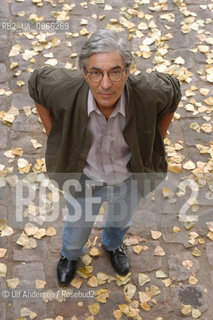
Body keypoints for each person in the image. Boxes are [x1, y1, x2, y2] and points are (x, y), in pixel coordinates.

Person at [28, 29, 181, 287]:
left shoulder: (150, 92)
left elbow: (173, 92)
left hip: (129, 178)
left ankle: (113, 246)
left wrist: (155, 141)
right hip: (84, 179)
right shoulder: (61, 88)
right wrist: (50, 130)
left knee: (121, 220)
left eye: (115, 71)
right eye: (96, 73)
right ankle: (70, 255)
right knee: (77, 226)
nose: (106, 84)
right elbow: (36, 82)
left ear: (128, 71)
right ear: (84, 73)